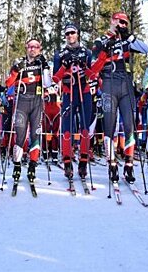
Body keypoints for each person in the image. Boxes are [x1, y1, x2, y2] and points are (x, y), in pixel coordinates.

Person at [91, 12, 148, 184]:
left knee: (130, 125)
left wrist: (129, 37)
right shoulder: (100, 41)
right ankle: (112, 164)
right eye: (119, 21)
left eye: (124, 22)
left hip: (126, 84)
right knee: (109, 126)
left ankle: (129, 165)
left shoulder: (127, 40)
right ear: (112, 21)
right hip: (109, 83)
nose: (121, 24)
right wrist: (105, 50)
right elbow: (93, 68)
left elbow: (146, 49)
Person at [5, 38, 52, 185]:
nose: (33, 49)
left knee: (35, 135)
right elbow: (8, 84)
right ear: (26, 48)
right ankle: (17, 165)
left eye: (36, 47)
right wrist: (15, 70)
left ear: (40, 49)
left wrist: (45, 66)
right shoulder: (20, 62)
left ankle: (32, 165)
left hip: (37, 102)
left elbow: (48, 83)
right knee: (20, 135)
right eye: (30, 46)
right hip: (22, 102)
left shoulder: (42, 63)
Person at [53, 23, 95, 180]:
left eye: (73, 32)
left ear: (78, 34)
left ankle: (83, 162)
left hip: (84, 93)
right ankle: (67, 162)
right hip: (68, 93)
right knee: (67, 129)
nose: (70, 36)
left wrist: (84, 66)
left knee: (85, 128)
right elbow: (55, 78)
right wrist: (65, 66)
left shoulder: (87, 52)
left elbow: (93, 75)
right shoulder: (59, 54)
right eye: (67, 33)